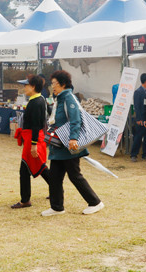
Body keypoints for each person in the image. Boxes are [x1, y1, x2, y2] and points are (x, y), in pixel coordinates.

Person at [42, 70, 103, 217]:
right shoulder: (59, 99)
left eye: (55, 84)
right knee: (55, 177)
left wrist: (73, 138)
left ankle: (95, 202)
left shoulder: (69, 98)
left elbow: (76, 120)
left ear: (63, 84)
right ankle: (57, 207)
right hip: (59, 146)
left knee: (75, 175)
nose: (53, 87)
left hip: (70, 145)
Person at [11, 75, 50, 209]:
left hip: (33, 139)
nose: (24, 88)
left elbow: (35, 125)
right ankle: (56, 188)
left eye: (26, 85)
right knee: (39, 166)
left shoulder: (35, 102)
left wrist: (33, 144)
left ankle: (25, 200)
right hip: (35, 137)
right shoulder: (40, 99)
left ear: (33, 87)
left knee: (27, 168)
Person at [130, 73, 146, 162]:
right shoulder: (138, 92)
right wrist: (139, 119)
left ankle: (145, 154)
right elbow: (137, 106)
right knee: (138, 137)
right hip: (140, 119)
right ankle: (134, 154)